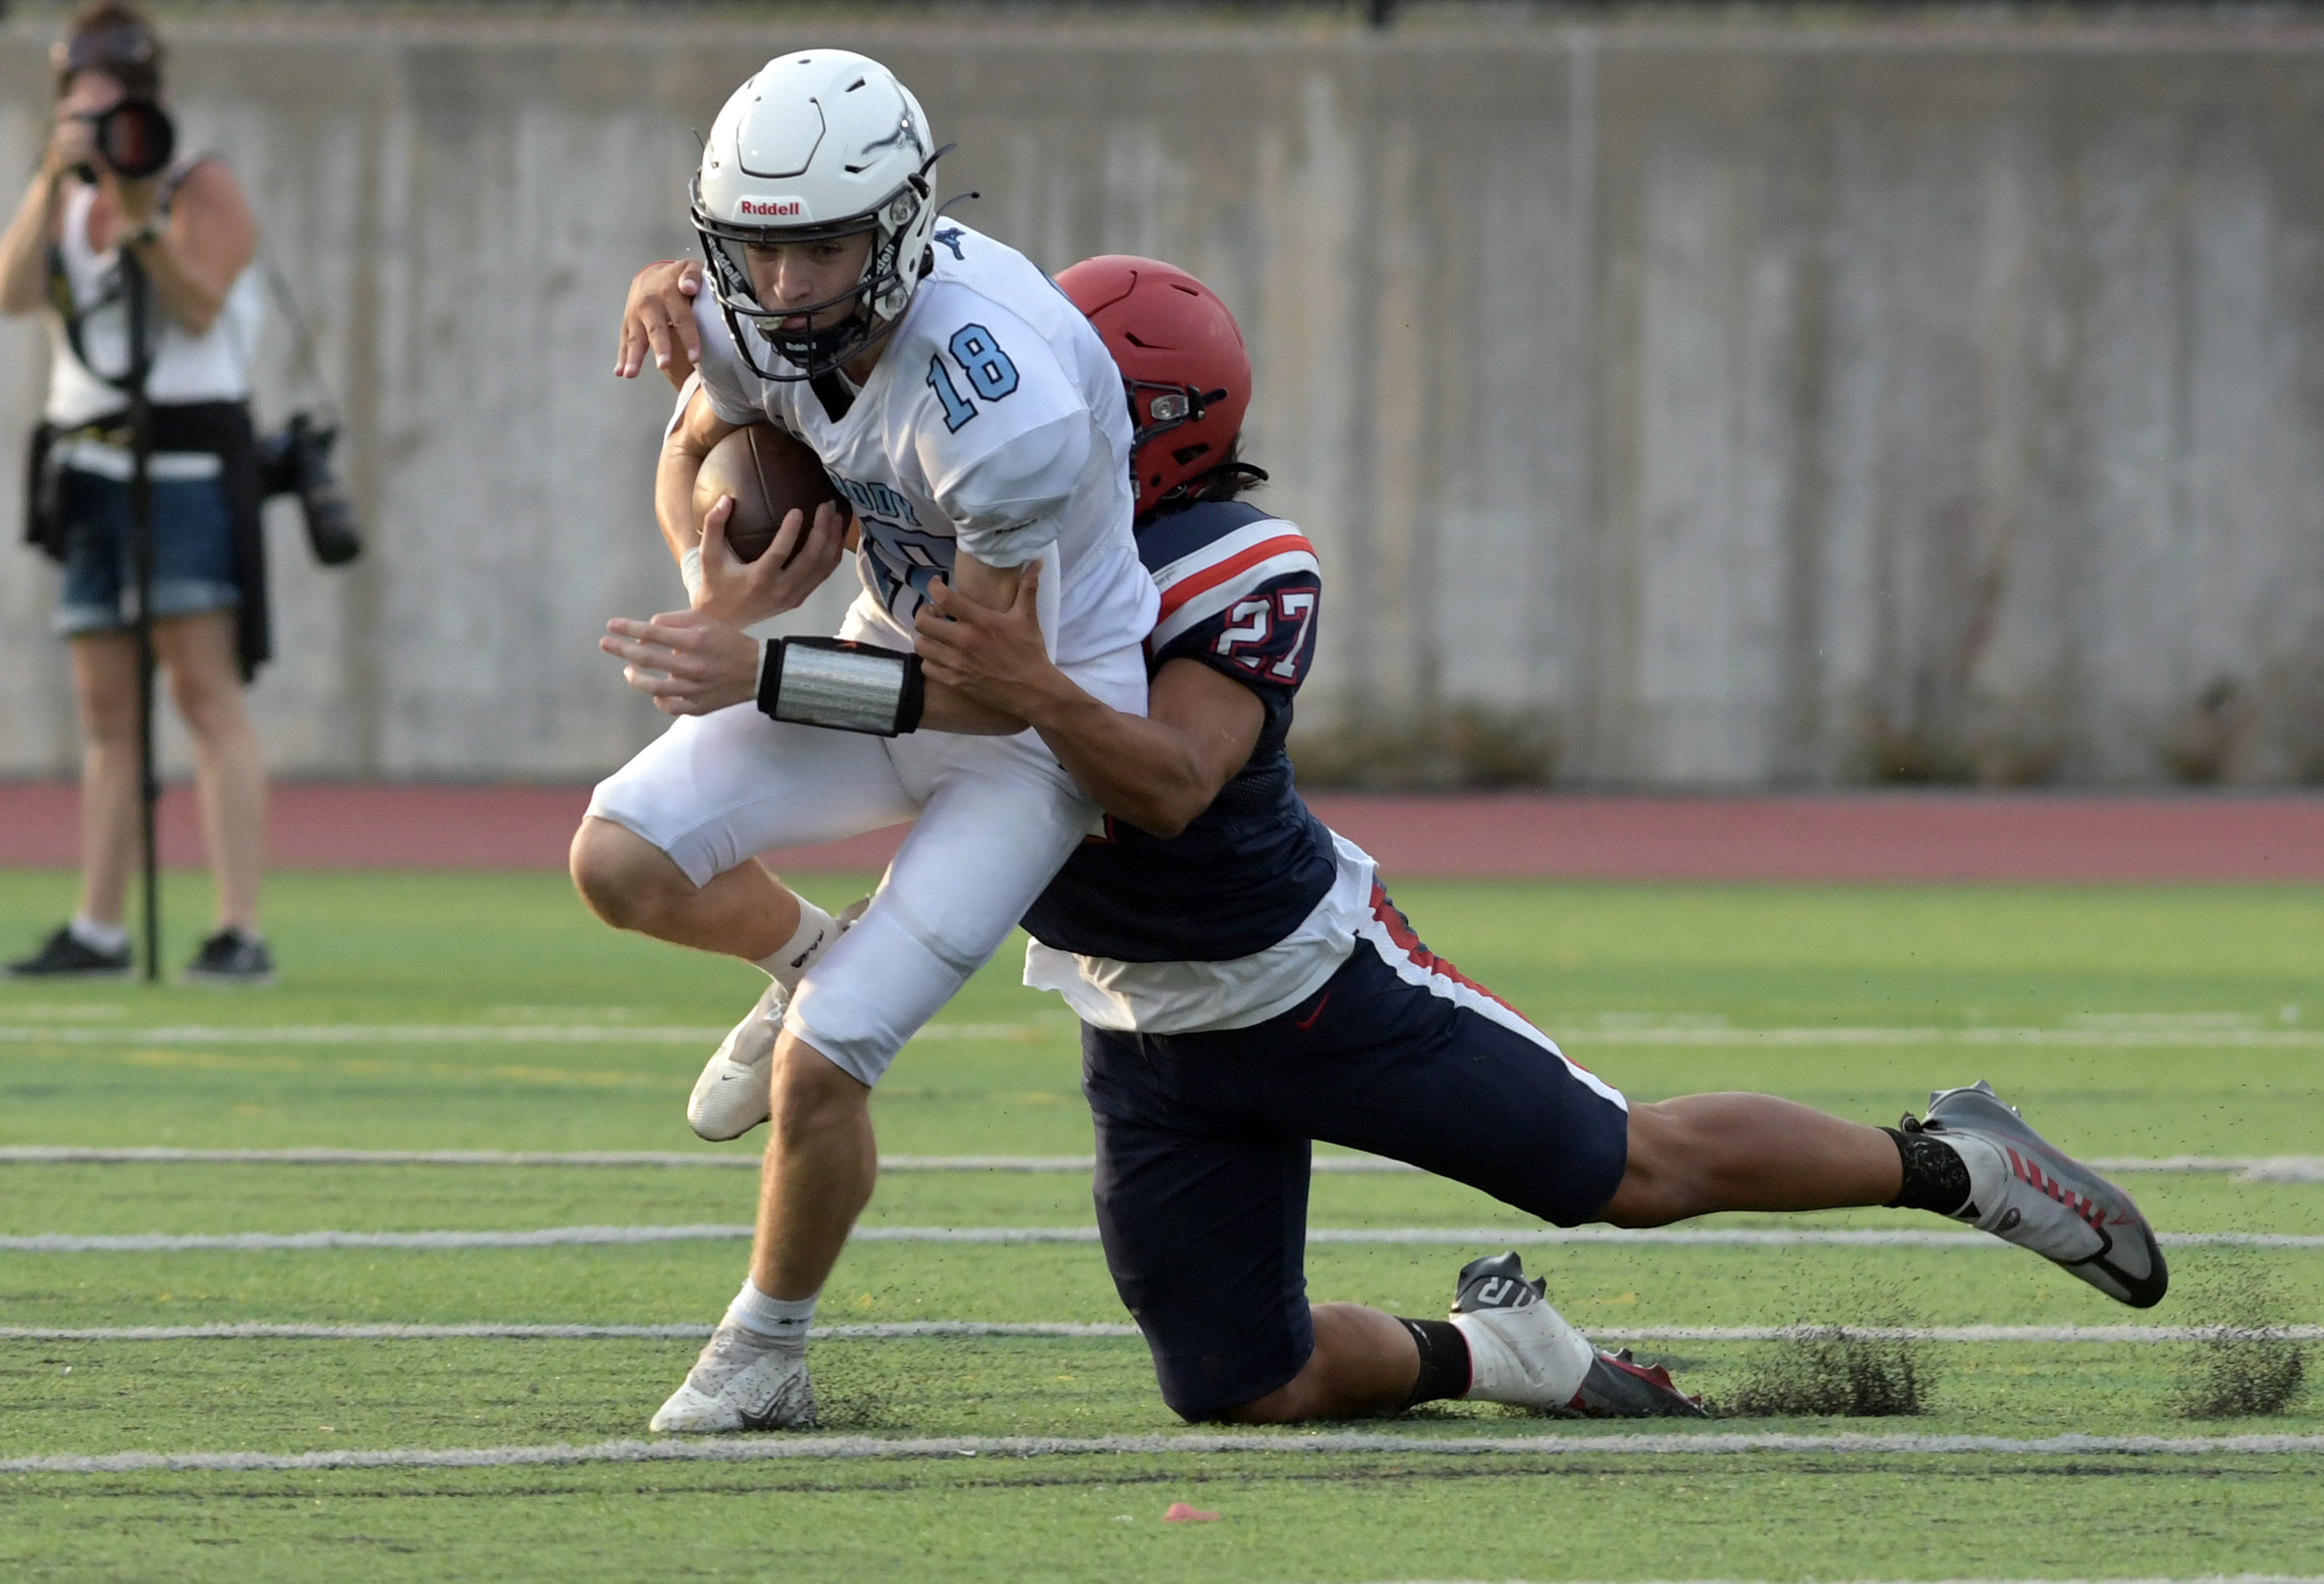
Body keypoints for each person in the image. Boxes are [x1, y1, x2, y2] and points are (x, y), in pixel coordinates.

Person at [620, 254, 2168, 1428]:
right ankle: (1501, 1351)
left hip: (1303, 981)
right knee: (1240, 1382)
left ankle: (1950, 1161)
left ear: (1139, 430)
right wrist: (716, 338)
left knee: (1625, 1168)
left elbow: (1159, 782)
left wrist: (1009, 682)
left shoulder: (1231, 561)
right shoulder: (985, 487)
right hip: (1137, 1018)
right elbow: (845, 540)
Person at [582, 50, 1158, 1433]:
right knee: (620, 856)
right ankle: (804, 952)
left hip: (1034, 725)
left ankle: (765, 1346)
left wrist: (761, 669)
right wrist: (709, 572)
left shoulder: (992, 395)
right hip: (886, 650)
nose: (783, 289)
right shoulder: (736, 291)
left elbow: (1000, 690)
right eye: (758, 250)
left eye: (823, 248)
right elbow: (696, 446)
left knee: (827, 1060)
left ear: (899, 224)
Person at [1, 2, 273, 983]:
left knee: (205, 694)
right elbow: (12, 291)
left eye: (112, 100)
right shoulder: (67, 196)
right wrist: (51, 178)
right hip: (90, 466)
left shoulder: (201, 182)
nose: (97, 117)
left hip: (190, 466)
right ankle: (100, 927)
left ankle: (239, 929)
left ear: (148, 98)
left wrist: (140, 207)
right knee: (106, 713)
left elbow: (199, 303)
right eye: (80, 101)